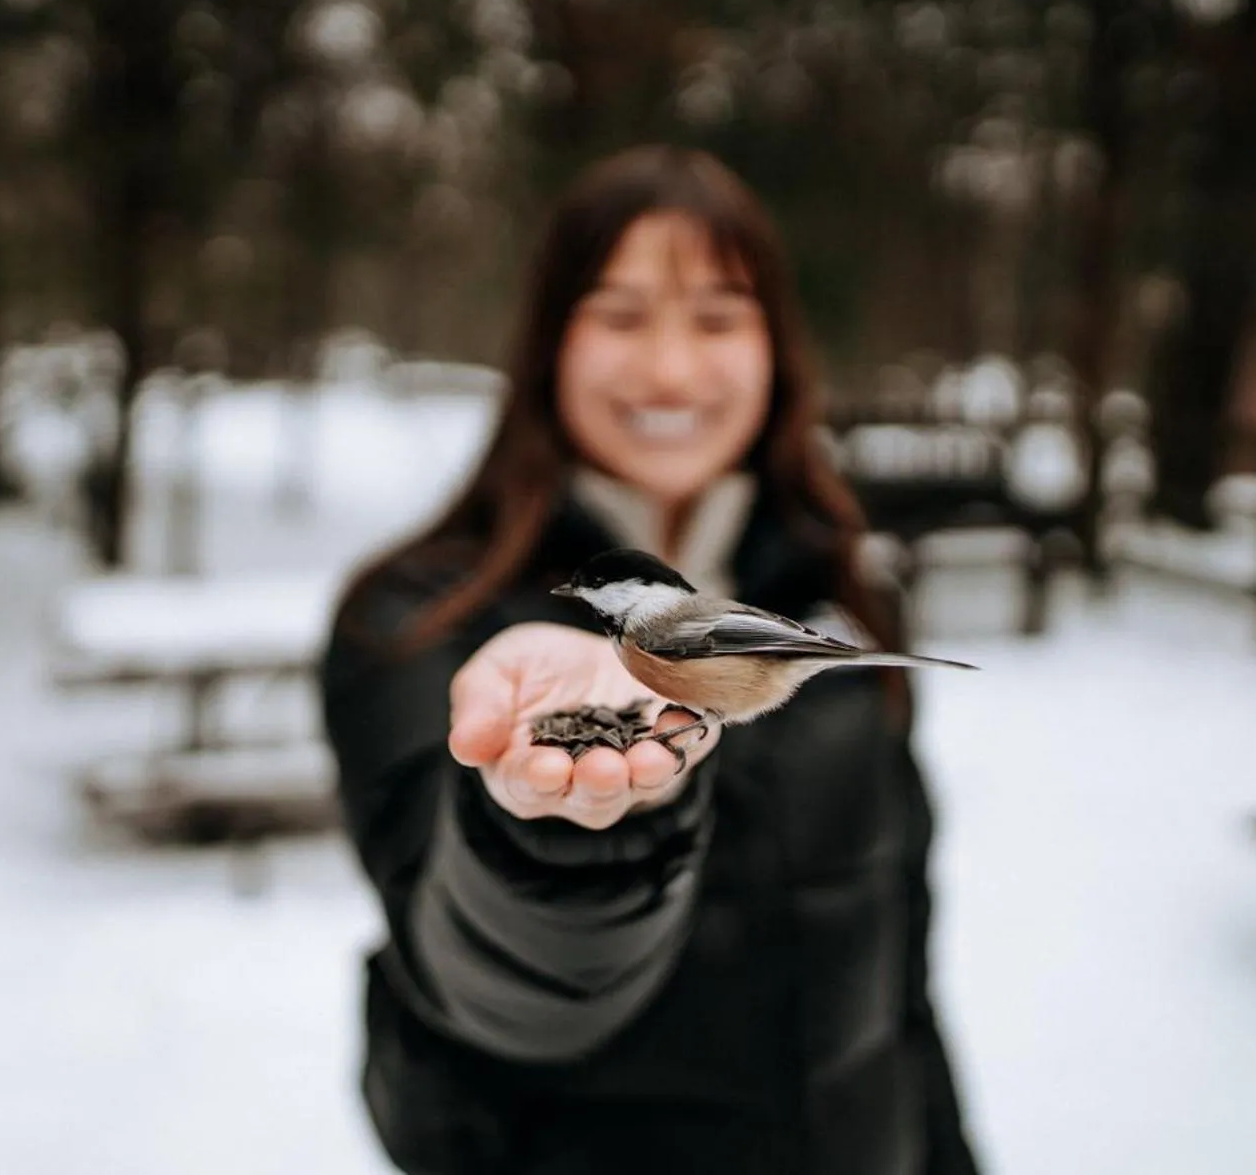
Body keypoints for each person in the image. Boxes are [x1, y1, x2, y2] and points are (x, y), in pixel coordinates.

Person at [321, 145, 980, 1175]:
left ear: (775, 350)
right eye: (621, 317)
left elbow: (899, 986)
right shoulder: (415, 620)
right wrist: (556, 835)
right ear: (549, 342)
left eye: (717, 319)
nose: (671, 370)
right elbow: (481, 984)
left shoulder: (846, 591)